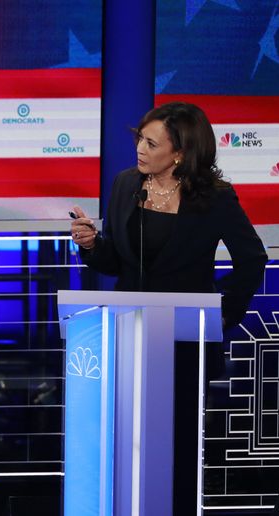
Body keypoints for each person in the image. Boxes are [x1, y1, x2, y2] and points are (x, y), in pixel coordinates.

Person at [69, 101, 267, 513]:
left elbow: (252, 259)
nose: (139, 148)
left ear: (179, 153)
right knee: (121, 440)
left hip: (184, 343)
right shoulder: (126, 184)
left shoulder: (214, 198)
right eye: (140, 138)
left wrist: (220, 314)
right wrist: (91, 246)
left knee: (177, 444)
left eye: (150, 142)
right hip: (125, 335)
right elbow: (117, 262)